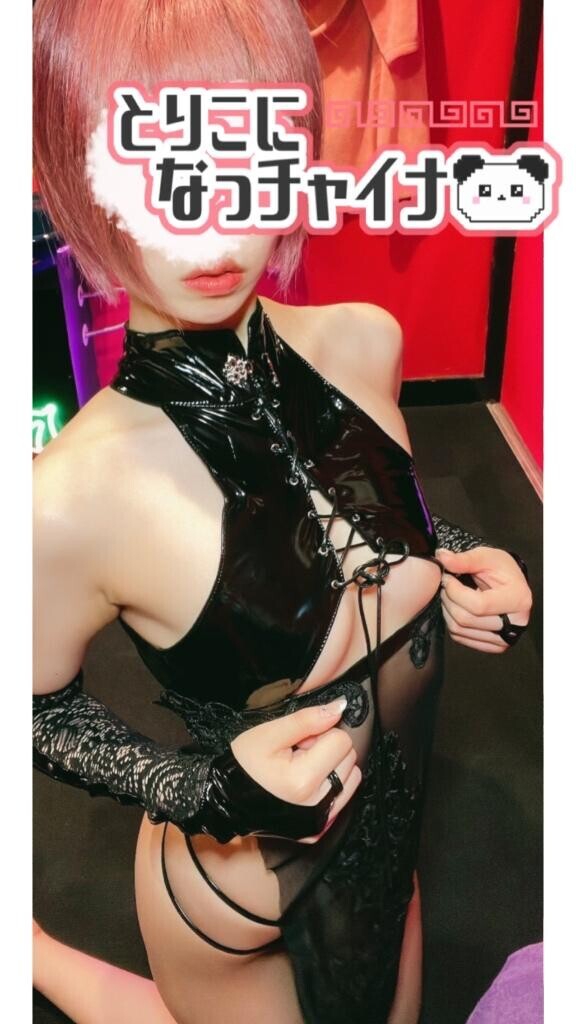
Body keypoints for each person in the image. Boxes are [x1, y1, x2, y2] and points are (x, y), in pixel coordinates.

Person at [32, 2, 533, 1023]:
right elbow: (35, 708)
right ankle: (31, 949)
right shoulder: (68, 497)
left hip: (393, 830)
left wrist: (451, 557)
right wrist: (196, 790)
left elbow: (356, 516)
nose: (212, 227)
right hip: (235, 887)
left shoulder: (365, 340)